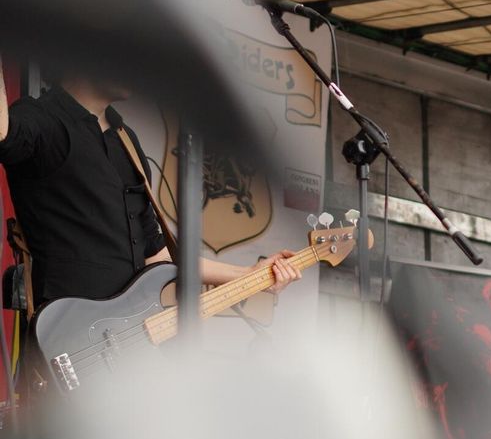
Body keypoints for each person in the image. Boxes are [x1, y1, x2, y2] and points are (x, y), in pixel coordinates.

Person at [0, 57, 301, 321]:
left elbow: (155, 254)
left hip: (123, 335)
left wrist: (249, 275)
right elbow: (5, 136)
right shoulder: (41, 118)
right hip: (67, 332)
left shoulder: (126, 139)